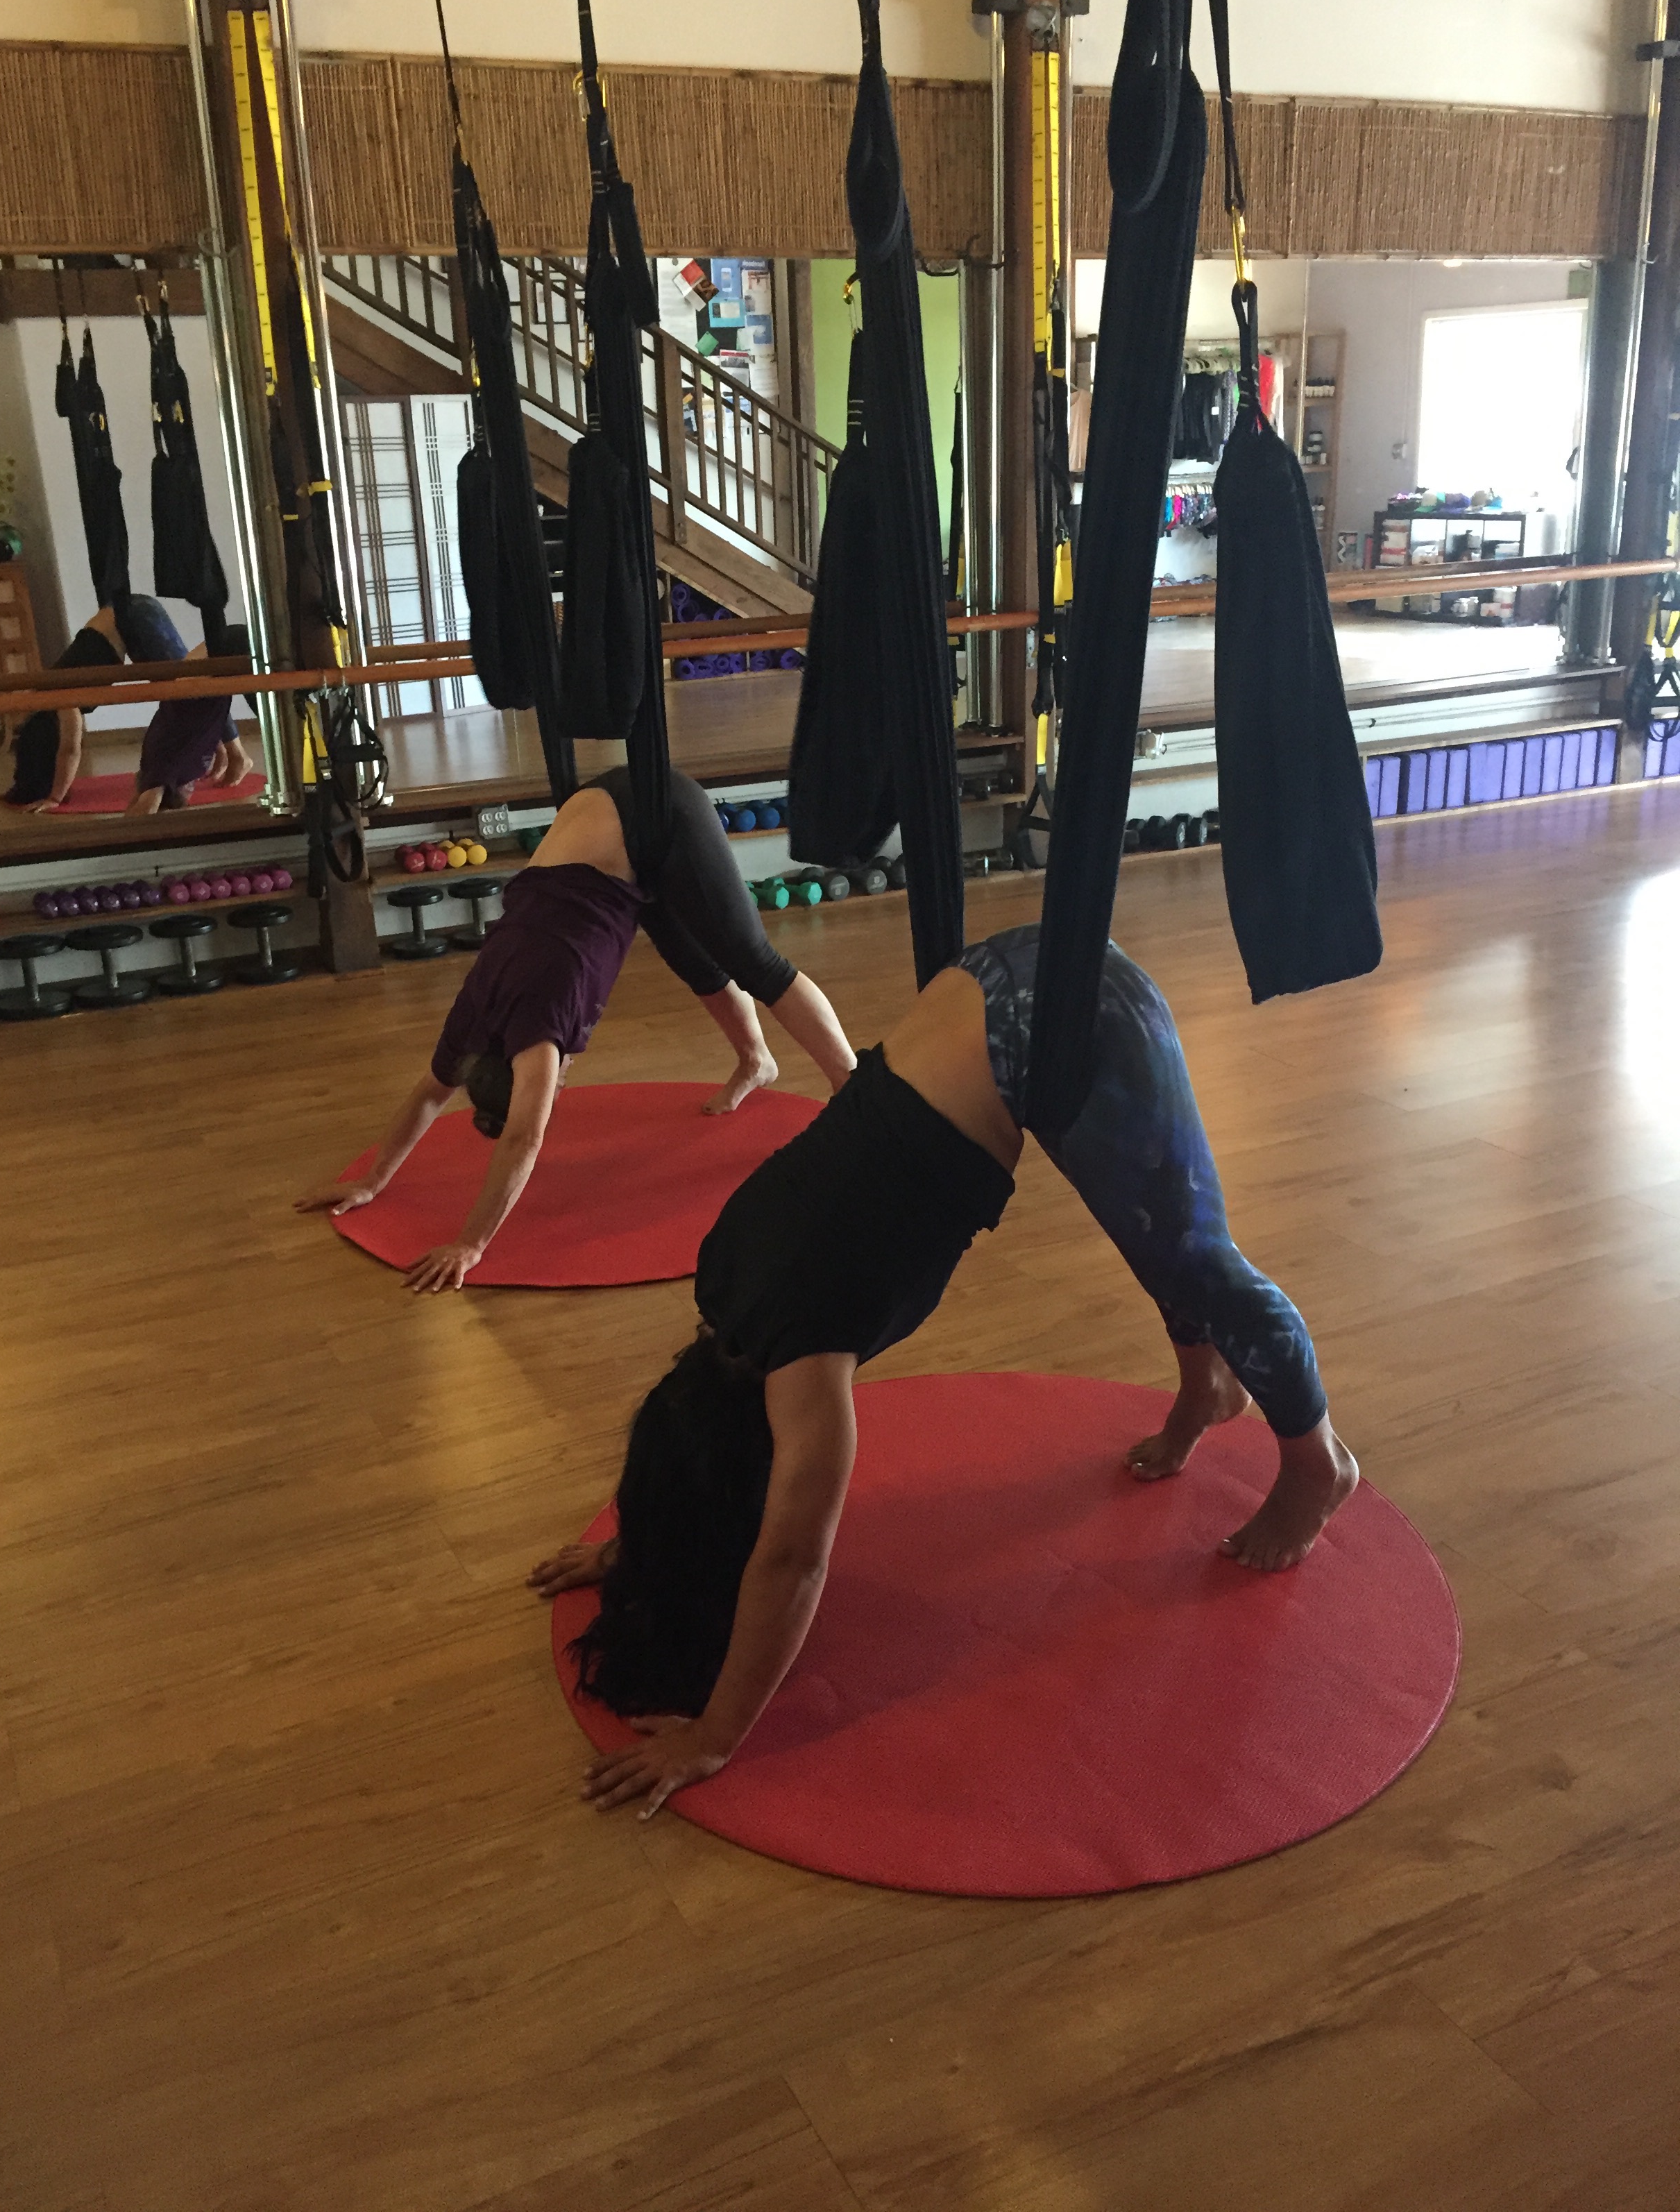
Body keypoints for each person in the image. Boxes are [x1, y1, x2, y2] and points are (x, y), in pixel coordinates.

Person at [528, 921, 1359, 1821]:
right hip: (991, 985)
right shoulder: (725, 1272)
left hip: (1068, 1016)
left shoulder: (806, 1367)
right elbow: (686, 1466)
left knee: (1194, 1254)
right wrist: (639, 1547)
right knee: (1154, 1233)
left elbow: (792, 1562)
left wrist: (714, 1736)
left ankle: (1319, 1468)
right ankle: (1205, 1388)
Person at [294, 767, 858, 1292]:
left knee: (753, 960)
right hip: (601, 831)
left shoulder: (539, 1027)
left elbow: (524, 1137)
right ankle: (756, 1059)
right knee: (692, 958)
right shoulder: (472, 1018)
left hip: (654, 811)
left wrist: (472, 1244)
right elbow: (428, 1093)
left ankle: (853, 1088)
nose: (560, 1087)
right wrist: (372, 1182)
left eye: (552, 1087)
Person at [3, 593, 194, 810]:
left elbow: (70, 751)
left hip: (131, 616)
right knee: (191, 692)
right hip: (127, 616)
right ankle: (228, 753)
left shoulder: (57, 700)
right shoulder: (42, 703)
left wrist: (55, 798)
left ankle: (232, 754)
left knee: (191, 689)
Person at [124, 620, 255, 815]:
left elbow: (145, 805)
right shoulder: (176, 764)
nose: (192, 793)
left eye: (188, 794)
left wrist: (130, 837)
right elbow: (203, 728)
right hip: (217, 655)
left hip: (226, 652)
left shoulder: (167, 771)